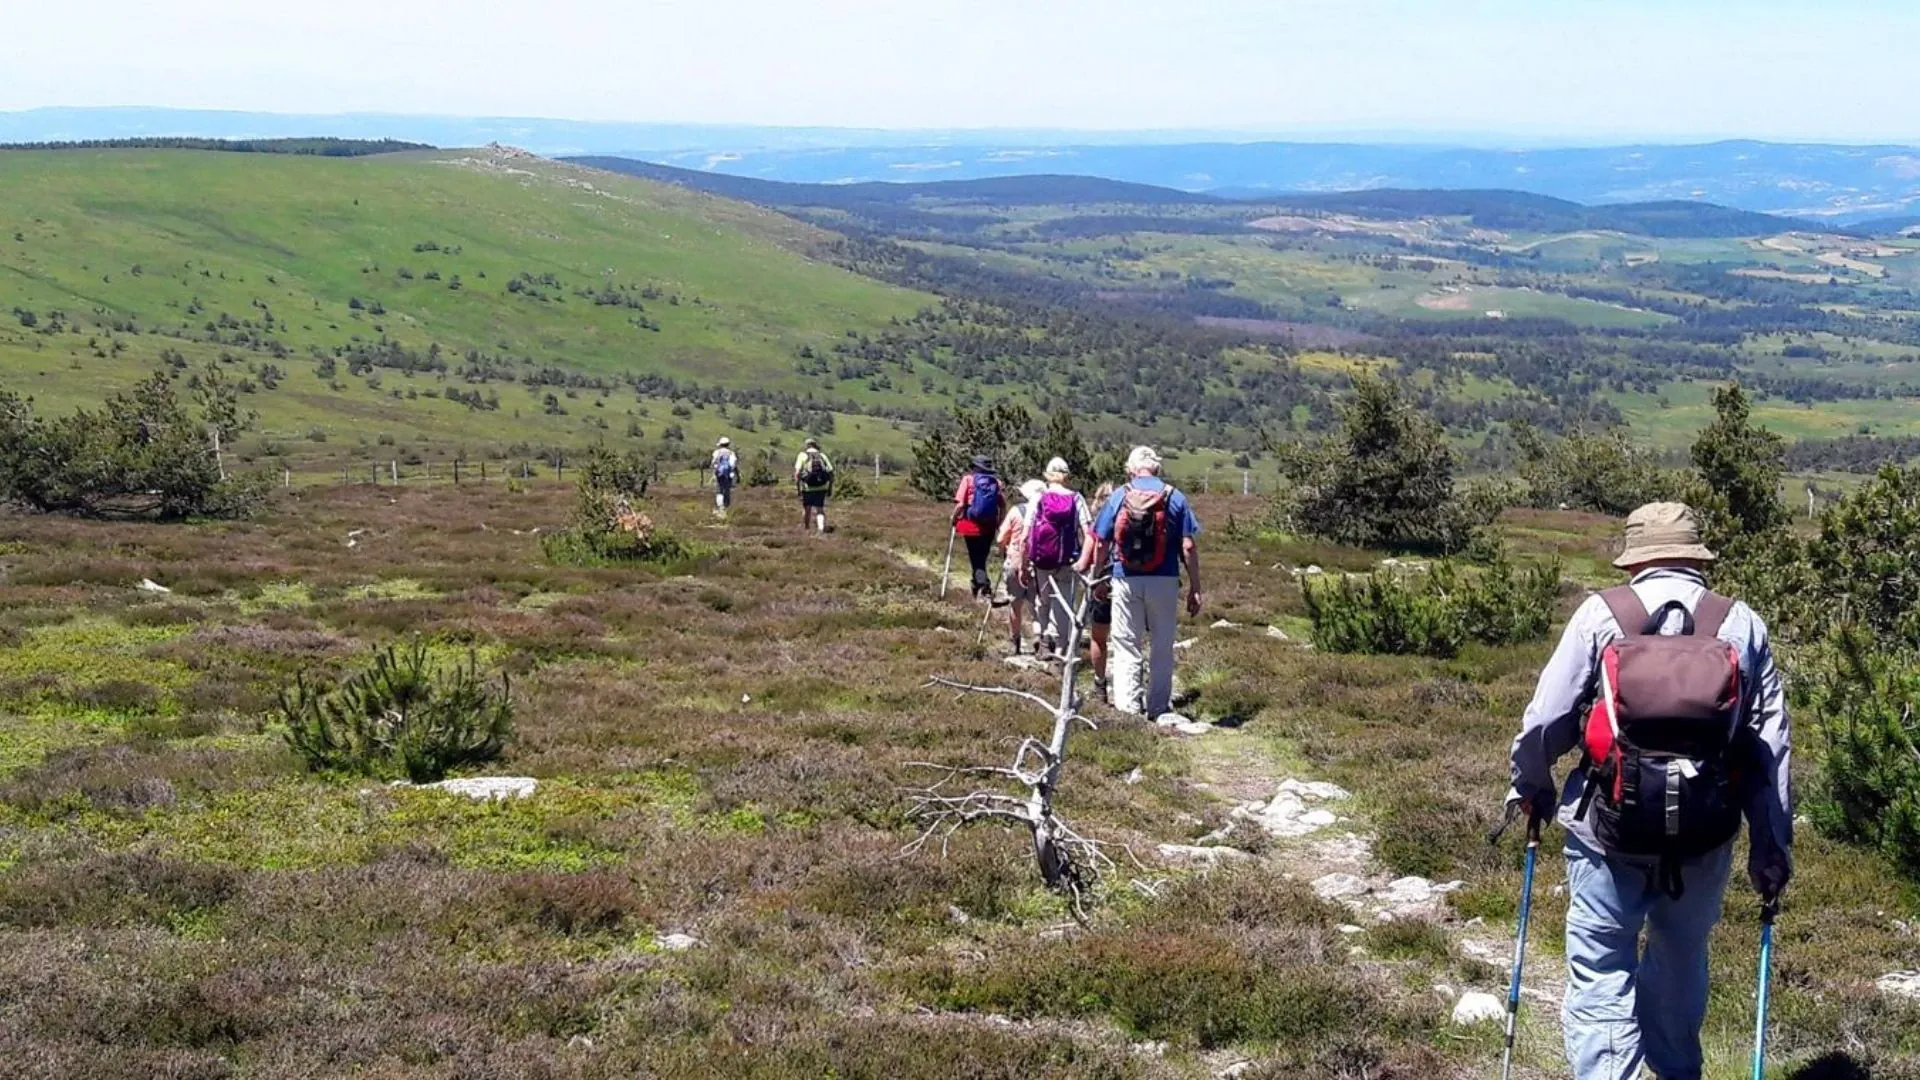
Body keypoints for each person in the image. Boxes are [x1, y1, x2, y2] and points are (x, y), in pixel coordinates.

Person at [1506, 502, 1791, 1080]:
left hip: (1606, 827)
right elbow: (1769, 746)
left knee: (1601, 967)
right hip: (1705, 833)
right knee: (1681, 958)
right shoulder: (1741, 623)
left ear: (1635, 558)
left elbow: (1547, 719)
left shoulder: (1600, 614)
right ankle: (1676, 1070)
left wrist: (1531, 785)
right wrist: (1771, 845)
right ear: (1696, 557)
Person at [1092, 447, 1202, 721]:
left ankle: (1128, 710)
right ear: (1157, 468)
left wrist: (1098, 576)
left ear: (1130, 469)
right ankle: (1158, 708)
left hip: (1125, 578)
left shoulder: (1119, 495)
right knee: (1162, 645)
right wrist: (1195, 587)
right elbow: (1188, 546)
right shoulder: (1175, 497)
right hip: (1165, 579)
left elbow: (1101, 541)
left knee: (1126, 644)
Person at [1025, 457, 1096, 659]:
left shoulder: (1039, 497)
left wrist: (1024, 560)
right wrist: (1085, 560)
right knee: (1063, 603)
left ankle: (1044, 641)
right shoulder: (1076, 498)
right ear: (1066, 476)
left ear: (1047, 475)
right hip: (1067, 560)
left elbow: (1026, 532)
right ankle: (1061, 649)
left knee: (1043, 600)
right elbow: (1088, 532)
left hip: (1042, 559)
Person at [994, 478, 1046, 654]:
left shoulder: (1016, 511)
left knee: (1015, 604)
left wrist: (1004, 551)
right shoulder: (1045, 513)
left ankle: (1014, 641)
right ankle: (1040, 640)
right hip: (1038, 564)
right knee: (1038, 605)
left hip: (1015, 561)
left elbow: (1000, 538)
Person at [951, 455, 1005, 599]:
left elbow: (961, 504)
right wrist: (1000, 522)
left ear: (975, 467)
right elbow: (1002, 505)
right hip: (990, 525)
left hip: (971, 525)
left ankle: (984, 586)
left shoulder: (968, 480)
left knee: (976, 558)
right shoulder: (996, 482)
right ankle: (976, 584)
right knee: (981, 556)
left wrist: (953, 518)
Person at [1086, 481, 1116, 703]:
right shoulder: (1131, 519)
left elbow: (1087, 556)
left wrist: (1093, 576)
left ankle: (1100, 685)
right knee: (1130, 639)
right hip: (1131, 581)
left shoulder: (1097, 525)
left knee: (1098, 637)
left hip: (1102, 584)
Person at [793, 438, 835, 533]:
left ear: (806, 446)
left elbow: (797, 473)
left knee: (807, 509)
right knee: (820, 509)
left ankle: (807, 529)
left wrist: (798, 488)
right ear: (815, 445)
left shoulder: (802, 455)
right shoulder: (822, 455)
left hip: (807, 487)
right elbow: (831, 472)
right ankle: (821, 529)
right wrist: (830, 487)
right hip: (821, 487)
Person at [710, 437, 740, 516]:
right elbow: (733, 465)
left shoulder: (717, 452)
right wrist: (736, 475)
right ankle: (726, 508)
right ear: (728, 444)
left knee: (719, 491)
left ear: (720, 444)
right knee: (727, 491)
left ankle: (720, 509)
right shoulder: (731, 453)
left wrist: (714, 472)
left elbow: (713, 463)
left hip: (719, 474)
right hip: (729, 475)